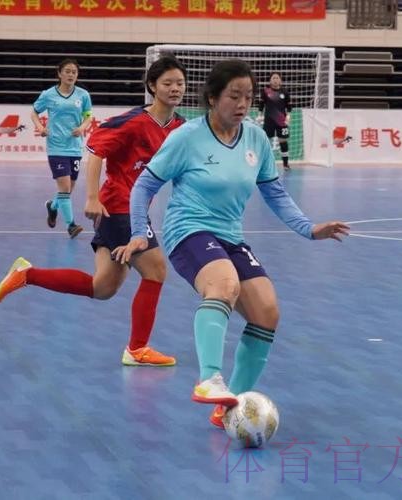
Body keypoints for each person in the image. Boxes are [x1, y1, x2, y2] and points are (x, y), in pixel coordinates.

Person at [114, 59, 349, 426]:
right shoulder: (187, 137)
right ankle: (209, 379)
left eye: (248, 97)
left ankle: (229, 407)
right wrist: (138, 232)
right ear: (212, 98)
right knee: (224, 284)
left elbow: (274, 193)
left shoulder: (255, 138)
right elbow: (144, 186)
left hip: (230, 235)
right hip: (188, 230)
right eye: (234, 96)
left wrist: (308, 228)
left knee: (267, 312)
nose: (242, 104)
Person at [0, 56, 189, 367]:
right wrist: (93, 197)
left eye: (180, 83)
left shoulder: (180, 127)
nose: (175, 88)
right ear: (152, 86)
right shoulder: (134, 121)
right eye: (168, 83)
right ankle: (137, 349)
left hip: (134, 207)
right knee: (156, 270)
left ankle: (26, 275)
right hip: (119, 206)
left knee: (103, 287)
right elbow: (96, 150)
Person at [31, 59, 93, 239]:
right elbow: (34, 112)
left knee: (68, 189)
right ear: (59, 73)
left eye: (74, 72)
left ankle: (52, 206)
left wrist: (82, 128)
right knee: (65, 188)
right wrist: (40, 128)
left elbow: (88, 116)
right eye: (67, 71)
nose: (71, 75)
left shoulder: (83, 95)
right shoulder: (48, 95)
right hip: (56, 147)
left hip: (75, 147)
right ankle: (71, 225)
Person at [259, 72, 293, 170]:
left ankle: (285, 164)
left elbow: (289, 106)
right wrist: (260, 115)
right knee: (266, 141)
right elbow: (261, 105)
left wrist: (288, 116)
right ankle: (264, 164)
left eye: (277, 78)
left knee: (283, 141)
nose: (275, 80)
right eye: (273, 78)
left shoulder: (285, 92)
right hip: (269, 120)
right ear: (270, 80)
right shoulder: (265, 91)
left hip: (281, 121)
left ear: (280, 80)